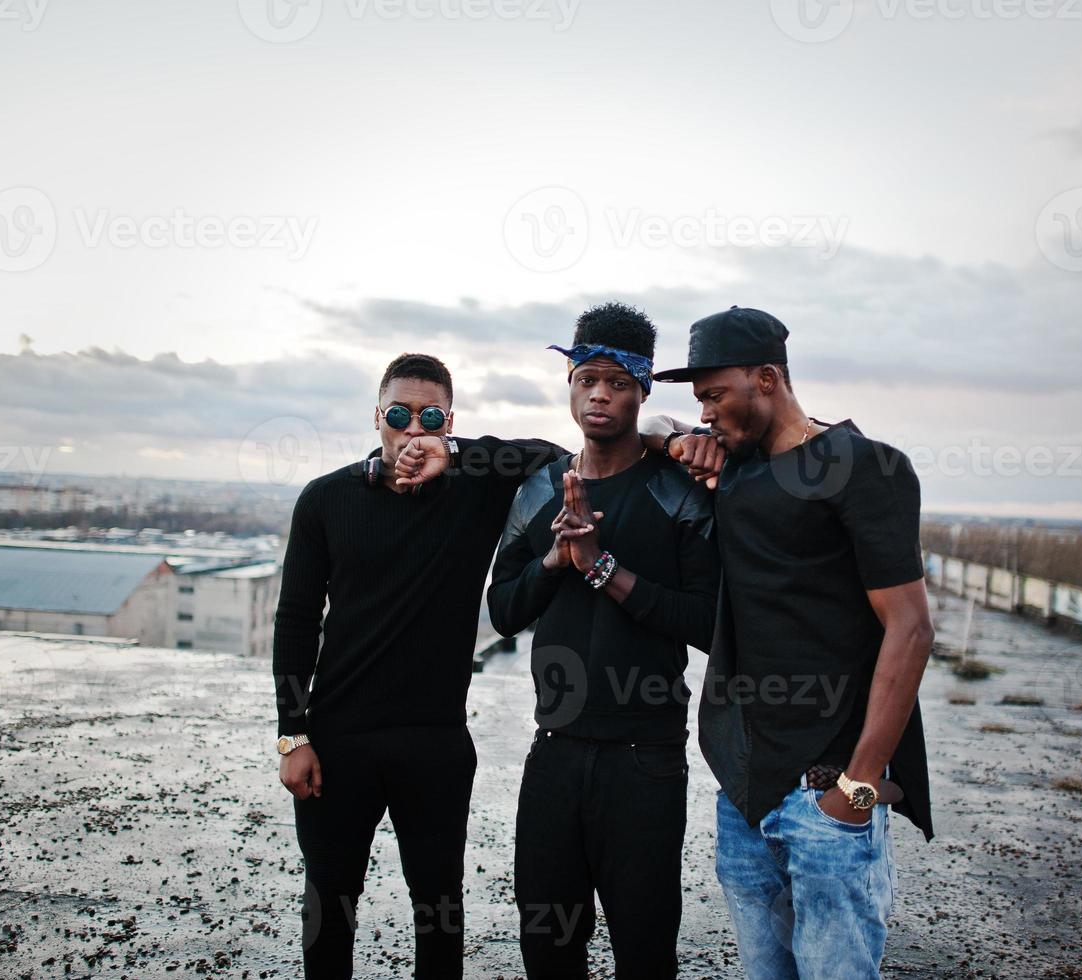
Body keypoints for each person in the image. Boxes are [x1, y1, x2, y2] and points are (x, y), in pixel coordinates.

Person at [641, 306, 935, 980]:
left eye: (716, 395)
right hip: (743, 794)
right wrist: (681, 439)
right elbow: (651, 427)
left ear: (767, 377)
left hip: (826, 797)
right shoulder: (735, 468)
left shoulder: (866, 468)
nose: (707, 412)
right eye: (701, 401)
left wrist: (857, 792)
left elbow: (911, 627)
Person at [272, 352, 566, 979]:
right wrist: (292, 735)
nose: (412, 428)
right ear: (376, 417)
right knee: (330, 907)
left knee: (439, 909)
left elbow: (549, 454)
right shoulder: (325, 499)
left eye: (429, 417)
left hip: (434, 740)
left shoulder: (475, 491)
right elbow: (295, 622)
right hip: (337, 737)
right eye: (398, 415)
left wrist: (454, 455)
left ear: (448, 421)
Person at [486, 302, 720, 979]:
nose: (599, 394)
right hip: (552, 751)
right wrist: (558, 560)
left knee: (644, 954)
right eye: (586, 378)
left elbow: (708, 623)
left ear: (643, 390)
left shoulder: (678, 490)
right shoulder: (539, 489)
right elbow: (501, 610)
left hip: (644, 758)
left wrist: (603, 569)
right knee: (547, 949)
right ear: (568, 384)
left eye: (618, 383)